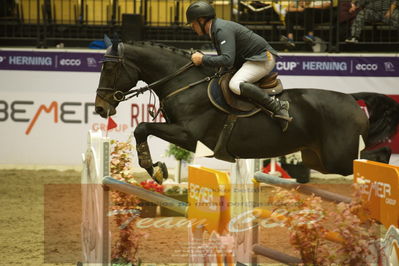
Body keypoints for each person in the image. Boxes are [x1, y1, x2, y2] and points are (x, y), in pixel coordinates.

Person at [186, 1, 291, 131]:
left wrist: (203, 59)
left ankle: (278, 107)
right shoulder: (215, 29)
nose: (192, 27)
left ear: (201, 20)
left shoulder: (220, 29)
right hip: (251, 60)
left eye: (193, 23)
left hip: (262, 59)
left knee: (235, 84)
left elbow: (227, 60)